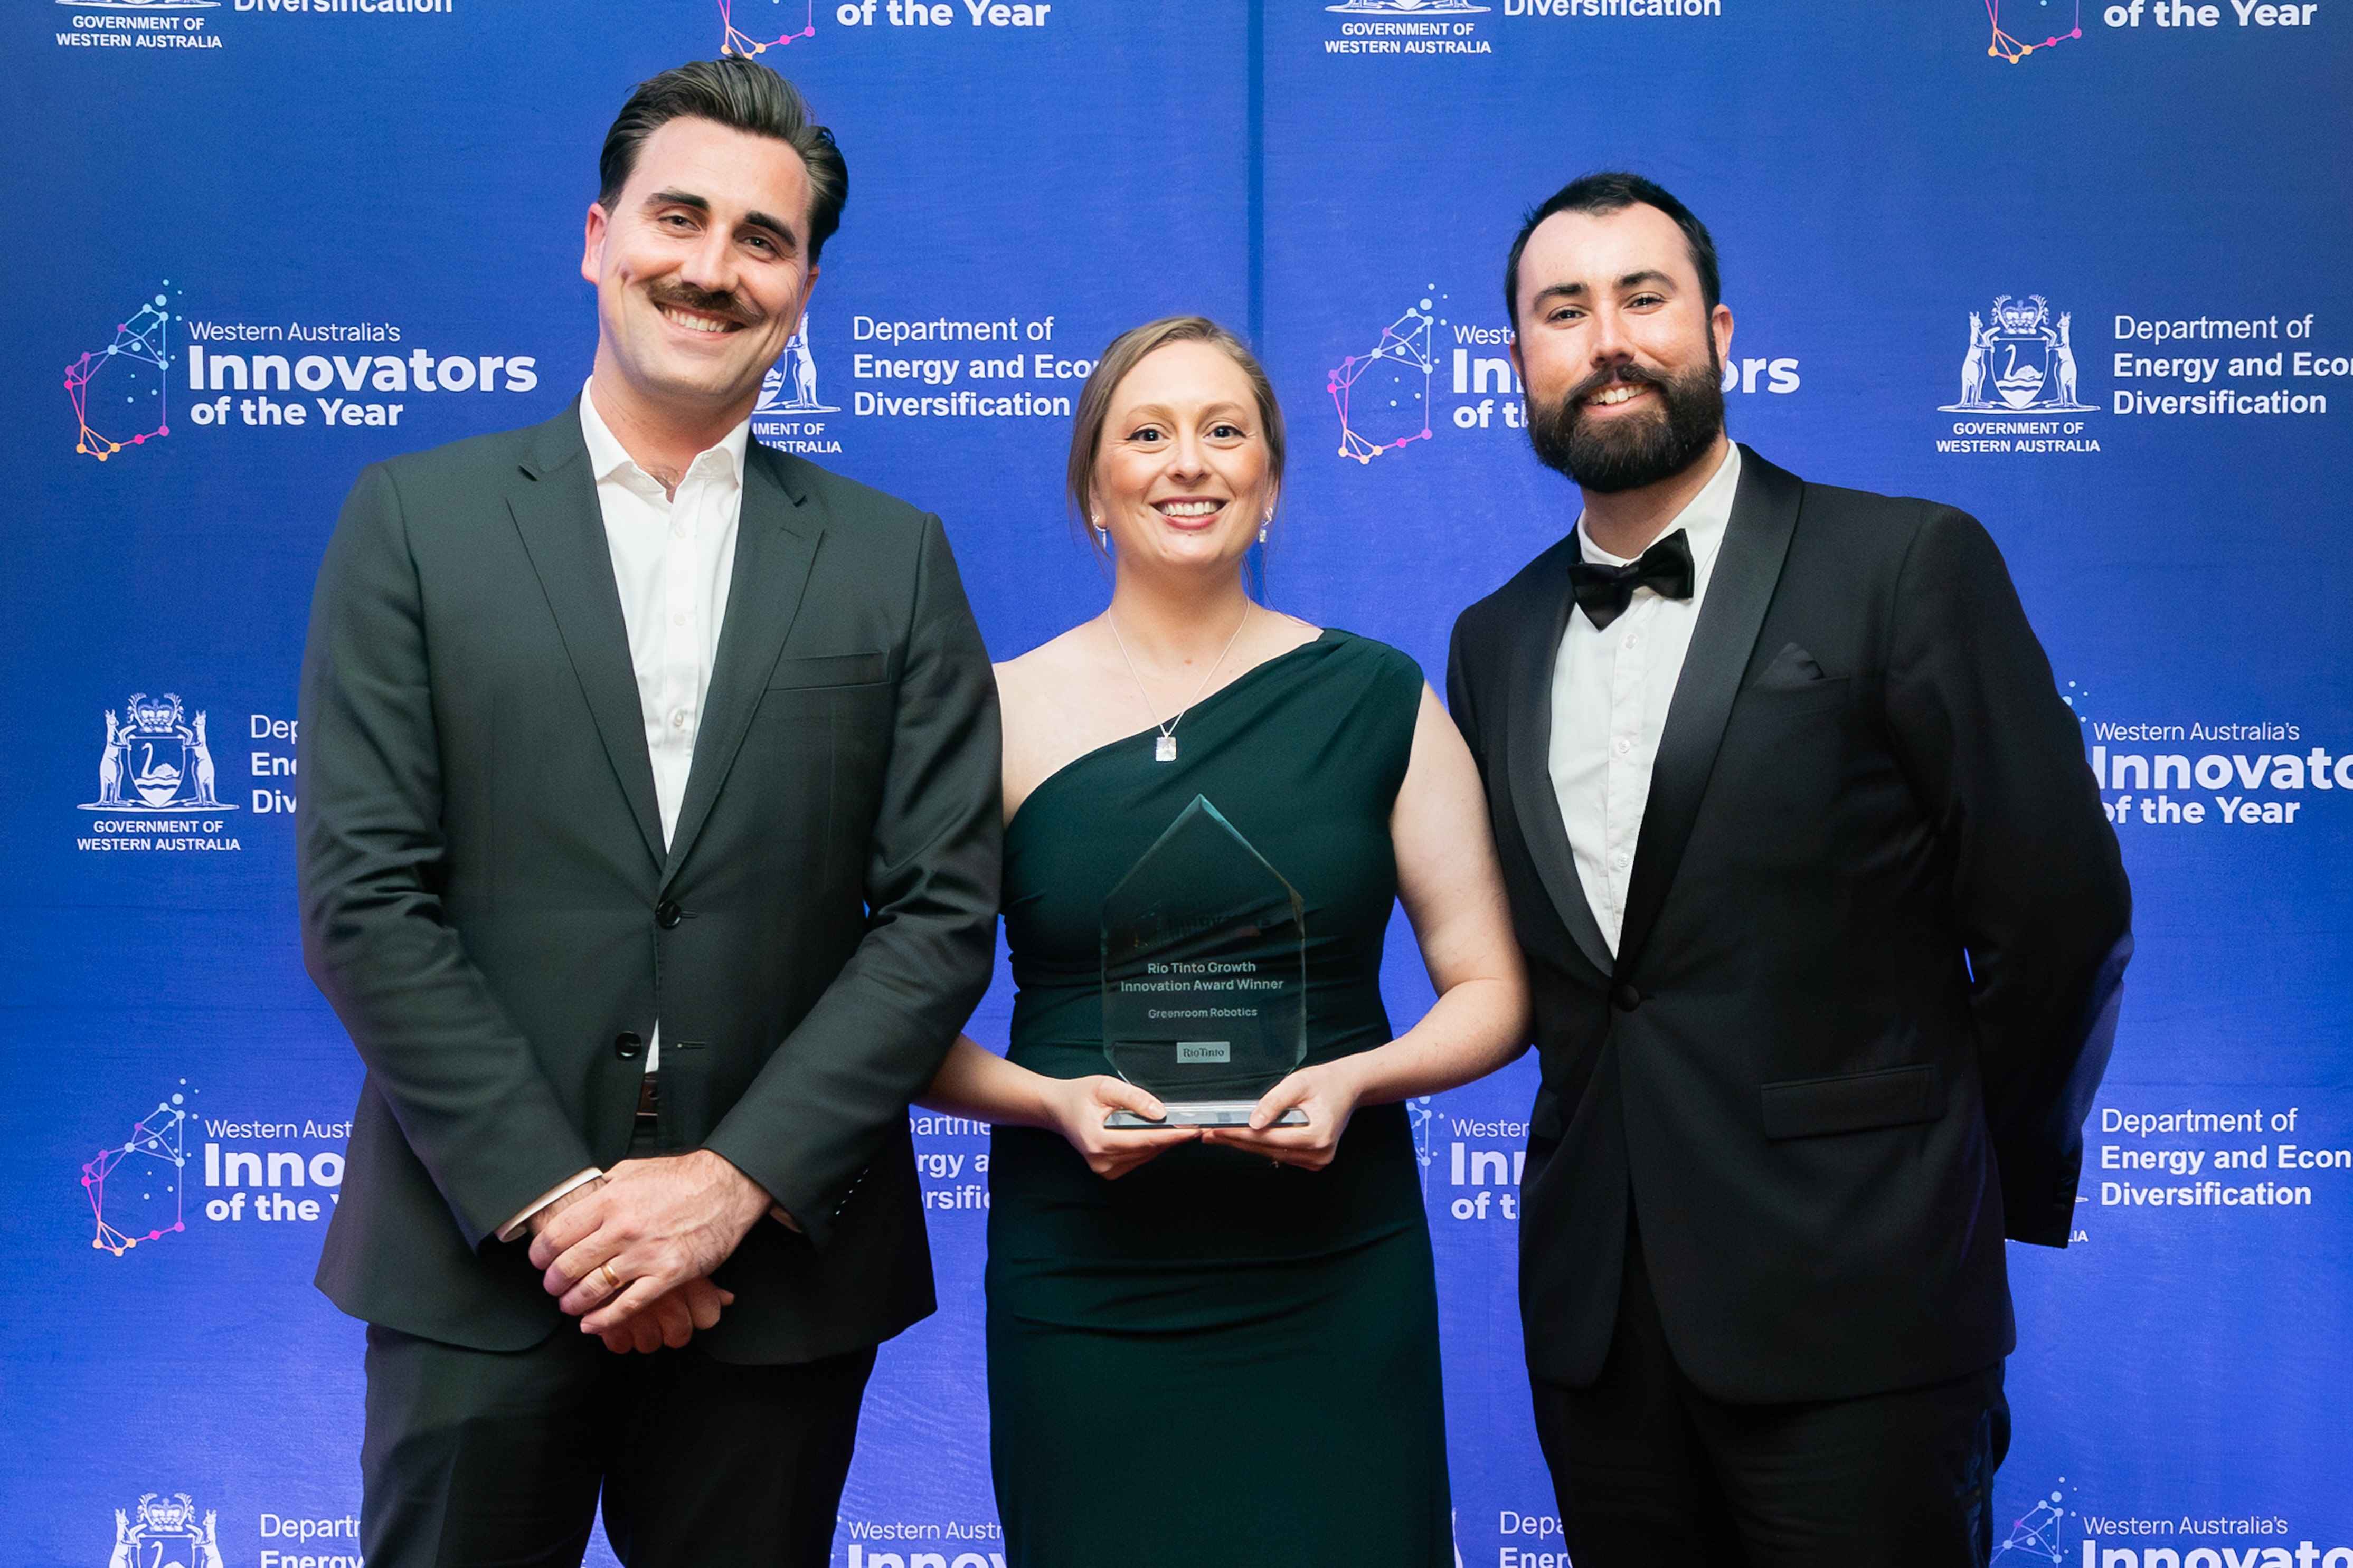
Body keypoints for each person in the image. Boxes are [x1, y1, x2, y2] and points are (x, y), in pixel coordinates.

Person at [298, 59, 1000, 1568]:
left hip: (779, 1278)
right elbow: (364, 898)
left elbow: (941, 914)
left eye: (764, 238)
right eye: (678, 218)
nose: (712, 266)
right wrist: (568, 1207)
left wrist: (729, 1188)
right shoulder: (414, 523)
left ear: (805, 287)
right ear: (598, 234)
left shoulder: (896, 558)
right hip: (477, 1261)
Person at [1445, 173, 2132, 1566]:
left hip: (1866, 1307)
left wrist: (1951, 1179)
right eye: (1560, 310)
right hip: (1601, 1327)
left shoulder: (1904, 563)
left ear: (1720, 327)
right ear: (1518, 361)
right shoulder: (1492, 637)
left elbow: (2060, 915)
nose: (1608, 336)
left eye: (1644, 296)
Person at [917, 316, 1530, 1568]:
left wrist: (1363, 1077)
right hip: (1086, 1284)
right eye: (1146, 434)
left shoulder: (1380, 697)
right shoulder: (992, 711)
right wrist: (1048, 1102)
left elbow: (1491, 990)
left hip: (1332, 1273)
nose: (1186, 462)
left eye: (1223, 431)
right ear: (1096, 482)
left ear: (1272, 484)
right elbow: (895, 1026)